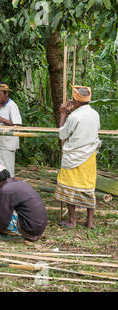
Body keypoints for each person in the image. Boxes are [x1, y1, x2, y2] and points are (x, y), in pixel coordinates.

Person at [54, 85, 100, 229]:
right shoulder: (95, 114)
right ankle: (90, 221)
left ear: (75, 101)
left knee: (70, 187)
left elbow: (62, 134)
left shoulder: (74, 116)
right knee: (88, 187)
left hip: (73, 156)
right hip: (89, 157)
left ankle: (72, 221)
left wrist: (63, 114)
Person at [0, 164, 47, 241]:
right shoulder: (20, 183)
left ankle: (13, 232)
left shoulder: (5, 191)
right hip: (39, 226)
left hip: (30, 228)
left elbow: (4, 218)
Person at [0, 83, 22, 181]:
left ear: (6, 94)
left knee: (6, 167)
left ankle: (7, 187)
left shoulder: (12, 106)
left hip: (7, 143)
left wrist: (3, 120)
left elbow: (18, 125)